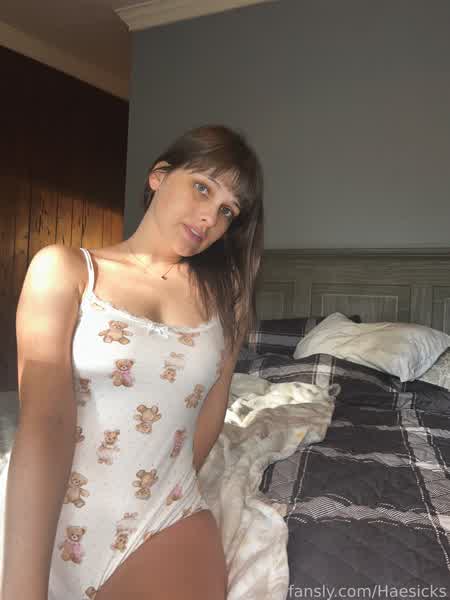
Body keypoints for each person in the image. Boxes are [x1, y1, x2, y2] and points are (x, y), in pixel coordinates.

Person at [0, 124, 264, 600]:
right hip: (47, 512)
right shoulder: (66, 270)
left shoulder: (228, 300)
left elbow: (210, 412)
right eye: (203, 188)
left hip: (163, 515)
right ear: (158, 176)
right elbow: (45, 422)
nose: (210, 217)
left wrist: (156, 484)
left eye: (228, 211)